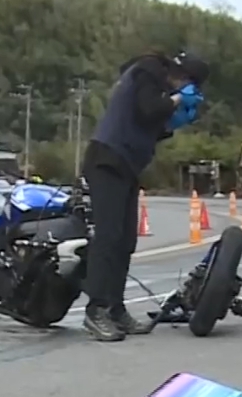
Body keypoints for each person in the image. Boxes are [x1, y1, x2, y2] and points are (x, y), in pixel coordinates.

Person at [80, 51, 209, 341]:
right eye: (187, 84)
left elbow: (151, 124)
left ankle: (116, 309)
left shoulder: (158, 88)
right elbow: (148, 109)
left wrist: (173, 123)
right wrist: (176, 100)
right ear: (182, 76)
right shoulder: (149, 70)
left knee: (126, 240)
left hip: (127, 165)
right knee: (109, 236)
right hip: (107, 159)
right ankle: (96, 309)